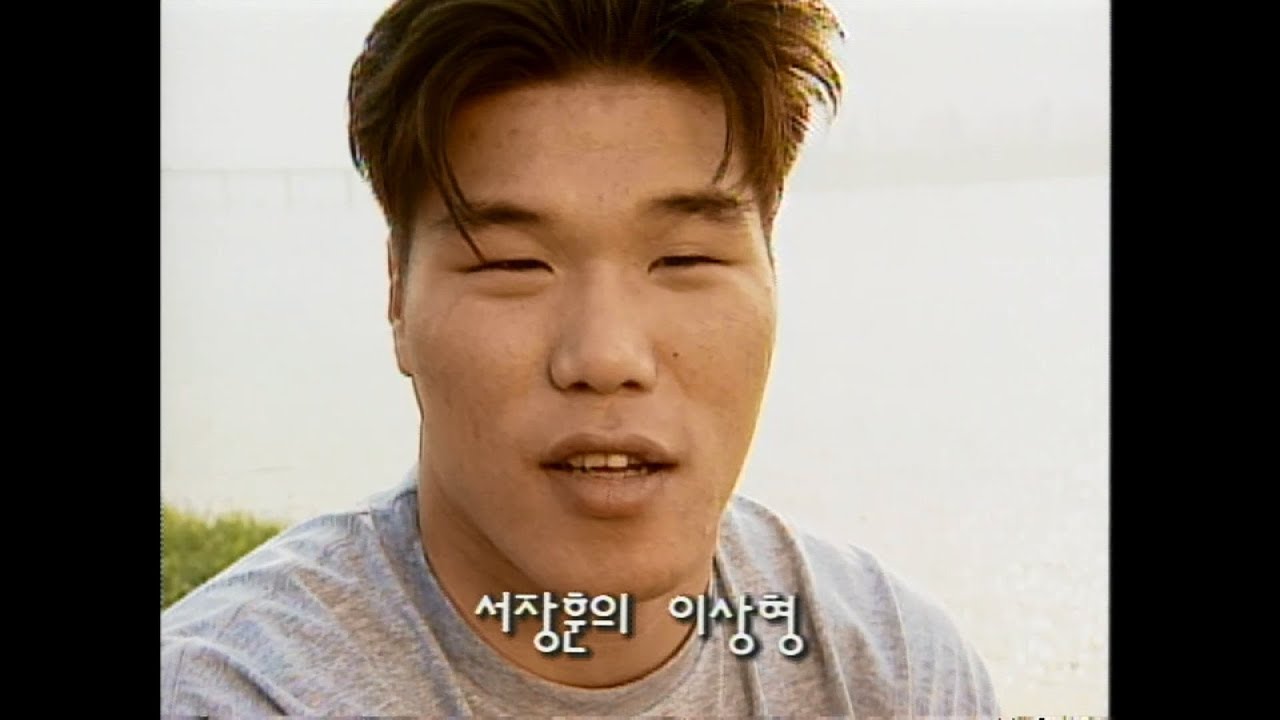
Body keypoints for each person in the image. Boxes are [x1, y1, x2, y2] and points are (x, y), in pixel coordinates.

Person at [161, 0, 1001, 715]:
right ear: (397, 299)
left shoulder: (892, 674)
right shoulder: (230, 694)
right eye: (513, 265)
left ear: (771, 272)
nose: (606, 356)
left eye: (684, 259)